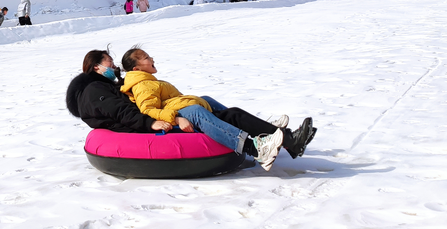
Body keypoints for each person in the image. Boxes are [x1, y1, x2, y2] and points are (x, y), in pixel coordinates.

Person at [66, 49, 311, 172]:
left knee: (229, 112)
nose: (114, 66)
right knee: (196, 109)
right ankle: (255, 147)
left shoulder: (111, 85)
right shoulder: (98, 90)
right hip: (155, 123)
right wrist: (156, 122)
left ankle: (283, 138)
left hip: (165, 114)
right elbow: (127, 111)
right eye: (109, 62)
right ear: (98, 68)